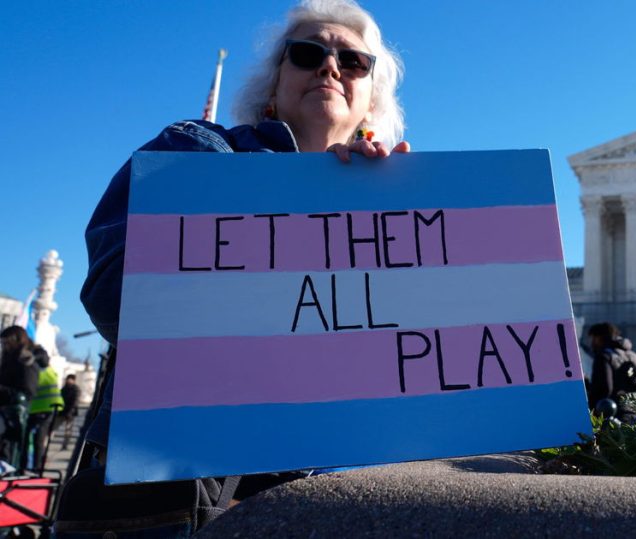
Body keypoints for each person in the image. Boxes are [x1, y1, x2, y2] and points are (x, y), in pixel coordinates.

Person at [63, 1, 410, 534]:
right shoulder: (196, 152)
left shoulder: (401, 208)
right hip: (181, 492)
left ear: (370, 102)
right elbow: (115, 295)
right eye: (307, 53)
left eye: (354, 62)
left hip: (336, 487)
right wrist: (295, 209)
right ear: (272, 89)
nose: (330, 67)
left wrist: (387, 220)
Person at [0, 326, 43, 467]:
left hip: (12, 418)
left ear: (17, 340)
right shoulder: (7, 360)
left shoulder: (25, 361)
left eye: (7, 342)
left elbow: (26, 393)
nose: (4, 346)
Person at [586, 322, 636, 413]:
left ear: (600, 338)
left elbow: (604, 389)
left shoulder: (604, 356)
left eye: (593, 338)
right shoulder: (634, 356)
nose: (592, 343)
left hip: (614, 413)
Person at [24, 354, 64, 470]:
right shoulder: (51, 370)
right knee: (39, 440)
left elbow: (30, 387)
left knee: (34, 440)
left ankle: (33, 467)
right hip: (51, 408)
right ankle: (37, 467)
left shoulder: (37, 372)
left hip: (39, 409)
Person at [58, 374, 81, 451]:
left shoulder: (76, 389)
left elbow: (75, 402)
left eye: (70, 379)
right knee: (54, 427)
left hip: (70, 413)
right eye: (68, 379)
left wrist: (70, 412)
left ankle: (65, 444)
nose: (68, 380)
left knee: (68, 430)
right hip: (62, 412)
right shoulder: (64, 389)